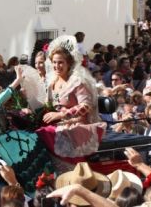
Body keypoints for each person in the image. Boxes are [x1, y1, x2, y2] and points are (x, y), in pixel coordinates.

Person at [35, 35, 102, 174]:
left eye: (60, 63)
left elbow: (86, 106)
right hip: (58, 125)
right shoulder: (53, 82)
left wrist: (61, 114)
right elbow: (49, 106)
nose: (56, 66)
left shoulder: (77, 82)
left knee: (46, 134)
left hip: (75, 126)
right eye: (54, 62)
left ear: (68, 63)